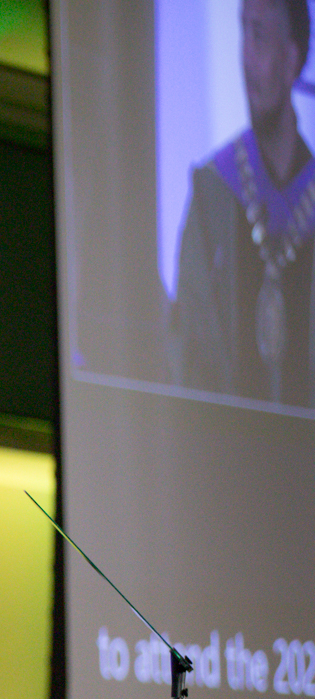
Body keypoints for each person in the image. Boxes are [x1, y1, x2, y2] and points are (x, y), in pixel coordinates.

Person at [170, 0, 315, 404]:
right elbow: (187, 353)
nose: (246, 57)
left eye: (260, 35)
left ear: (292, 60)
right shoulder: (211, 194)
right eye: (242, 32)